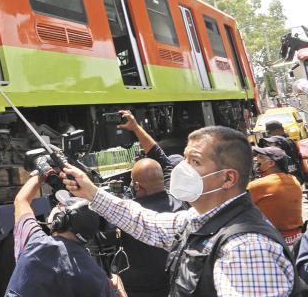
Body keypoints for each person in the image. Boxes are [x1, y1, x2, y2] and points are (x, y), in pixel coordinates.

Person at [60, 126, 295, 296]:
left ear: (227, 178)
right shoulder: (200, 220)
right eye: (184, 159)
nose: (183, 169)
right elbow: (146, 222)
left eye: (195, 161)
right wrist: (91, 192)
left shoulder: (246, 249)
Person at [6, 175, 119, 297]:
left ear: (59, 221)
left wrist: (41, 175)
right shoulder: (97, 276)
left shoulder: (33, 243)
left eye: (59, 207)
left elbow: (21, 201)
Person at [119, 158, 185, 297]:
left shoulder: (129, 214)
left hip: (139, 291)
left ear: (136, 186)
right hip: (175, 286)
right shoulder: (181, 204)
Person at [249, 145, 304, 244]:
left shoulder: (260, 184)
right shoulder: (293, 179)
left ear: (270, 163)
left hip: (273, 239)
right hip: (297, 237)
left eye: (260, 157)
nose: (256, 159)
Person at [117, 110, 175, 188]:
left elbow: (162, 162)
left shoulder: (128, 199)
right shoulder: (173, 197)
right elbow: (163, 163)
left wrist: (135, 127)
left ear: (136, 185)